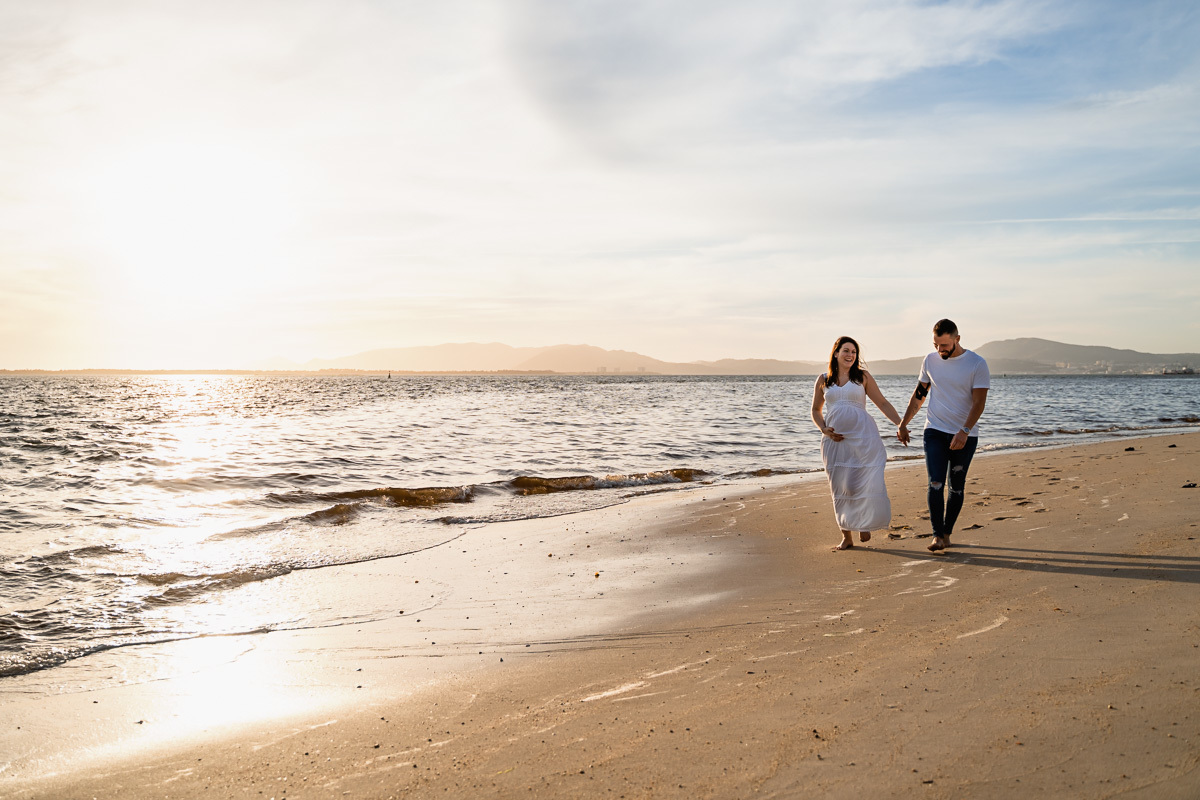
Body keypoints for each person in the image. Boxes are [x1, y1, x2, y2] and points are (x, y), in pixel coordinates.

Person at [897, 319, 990, 552]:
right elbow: (919, 395)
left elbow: (979, 403)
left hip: (965, 435)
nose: (940, 350)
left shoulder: (977, 364)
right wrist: (903, 423)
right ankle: (937, 536)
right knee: (935, 482)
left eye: (945, 345)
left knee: (956, 487)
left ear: (957, 339)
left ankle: (947, 533)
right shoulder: (930, 361)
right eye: (936, 345)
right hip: (935, 431)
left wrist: (964, 431)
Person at [811, 336, 903, 551]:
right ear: (836, 353)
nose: (850, 355)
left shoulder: (862, 377)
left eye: (854, 352)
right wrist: (823, 428)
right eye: (846, 350)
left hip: (863, 438)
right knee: (840, 486)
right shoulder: (824, 379)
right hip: (835, 441)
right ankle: (846, 535)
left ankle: (863, 522)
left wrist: (901, 424)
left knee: (860, 481)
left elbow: (882, 403)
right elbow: (815, 410)